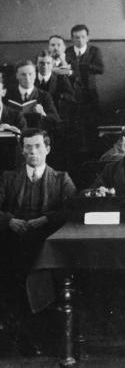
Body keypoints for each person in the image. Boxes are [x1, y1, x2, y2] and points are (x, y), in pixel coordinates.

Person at [0, 128, 76, 355]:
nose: (33, 152)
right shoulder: (8, 178)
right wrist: (9, 220)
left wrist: (46, 219)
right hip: (12, 242)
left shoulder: (61, 179)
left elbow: (72, 209)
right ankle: (17, 337)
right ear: (22, 151)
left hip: (46, 243)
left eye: (38, 146)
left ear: (48, 149)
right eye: (28, 147)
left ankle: (44, 338)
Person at [65, 24, 104, 147]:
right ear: (72, 39)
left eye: (83, 37)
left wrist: (77, 66)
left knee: (91, 123)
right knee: (74, 124)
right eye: (76, 37)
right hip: (72, 92)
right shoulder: (67, 51)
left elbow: (100, 69)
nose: (80, 40)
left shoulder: (94, 51)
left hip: (89, 93)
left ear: (88, 38)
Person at [6, 61, 60, 131]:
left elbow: (55, 121)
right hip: (14, 134)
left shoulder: (44, 96)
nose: (27, 78)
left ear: (35, 75)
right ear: (17, 76)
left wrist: (43, 113)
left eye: (30, 74)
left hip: (37, 134)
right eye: (23, 74)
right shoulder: (8, 94)